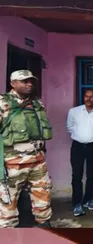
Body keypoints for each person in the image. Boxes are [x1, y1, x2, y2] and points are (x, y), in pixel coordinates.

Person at [0, 70, 53, 228]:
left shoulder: (37, 103)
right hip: (13, 163)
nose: (29, 84)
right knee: (8, 206)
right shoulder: (3, 103)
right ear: (13, 83)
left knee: (43, 199)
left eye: (31, 81)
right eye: (24, 81)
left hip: (37, 160)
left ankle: (44, 231)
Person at [66, 89, 93, 217]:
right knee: (76, 176)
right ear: (83, 97)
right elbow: (69, 127)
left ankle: (88, 200)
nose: (89, 99)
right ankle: (77, 203)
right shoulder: (74, 111)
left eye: (92, 97)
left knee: (91, 175)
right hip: (77, 147)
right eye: (86, 96)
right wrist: (81, 136)